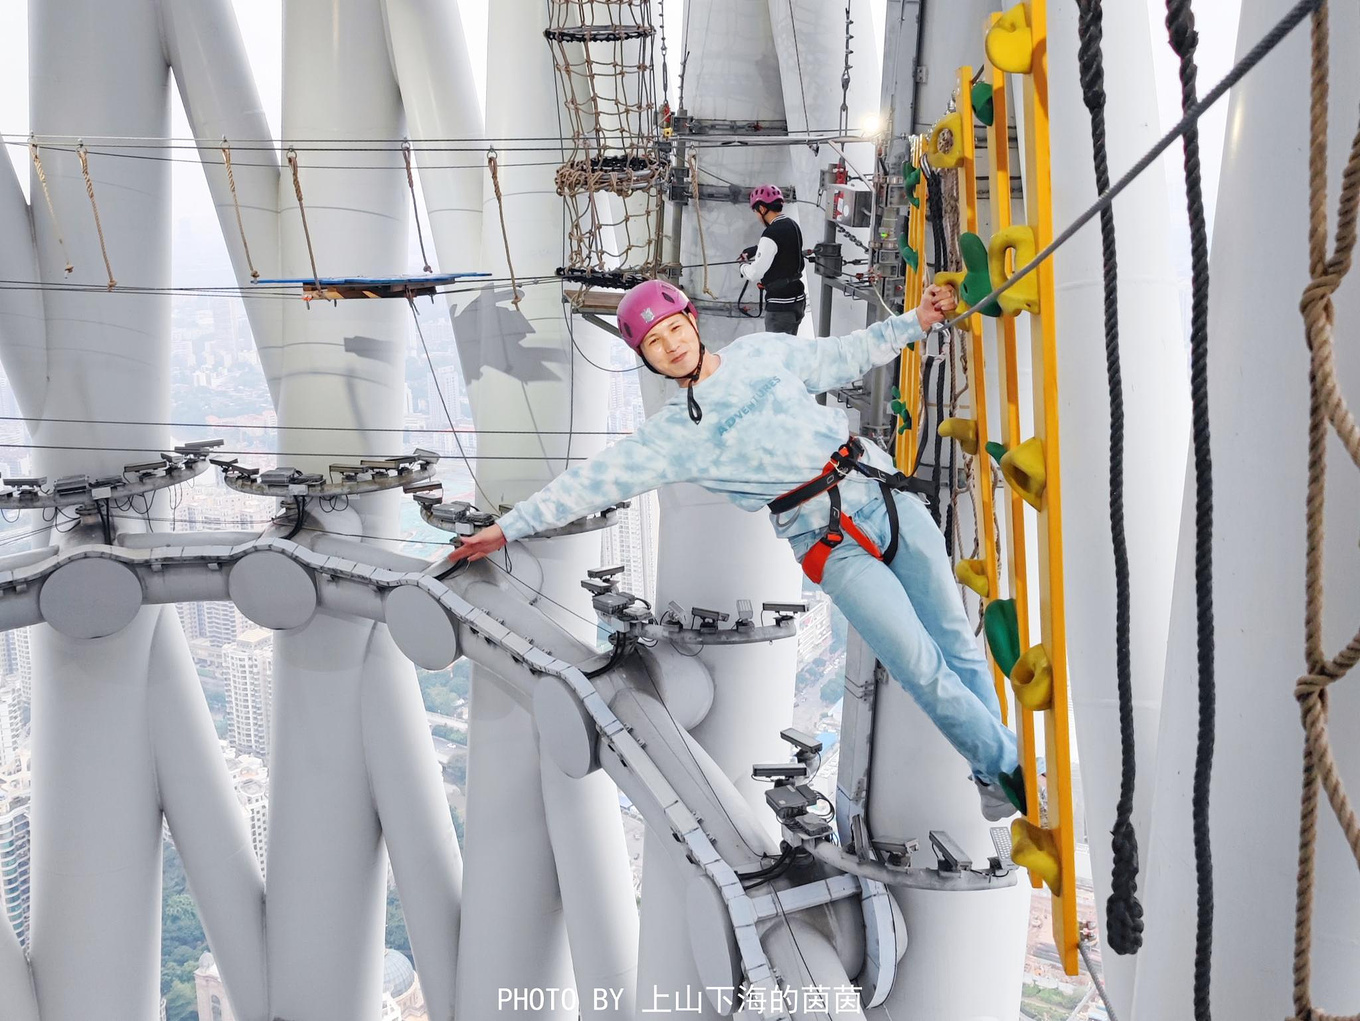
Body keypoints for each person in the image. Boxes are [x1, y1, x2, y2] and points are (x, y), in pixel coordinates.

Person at [444, 279, 1027, 819]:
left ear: (692, 322)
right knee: (917, 664)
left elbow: (843, 355)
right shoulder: (670, 436)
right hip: (827, 540)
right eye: (653, 343)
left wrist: (916, 321)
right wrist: (507, 528)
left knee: (957, 644)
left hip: (879, 493)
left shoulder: (759, 353)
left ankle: (993, 774)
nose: (669, 345)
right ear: (645, 358)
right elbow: (589, 483)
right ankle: (1012, 773)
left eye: (673, 328)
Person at [738, 184, 807, 336]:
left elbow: (755, 272)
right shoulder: (792, 225)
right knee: (789, 351)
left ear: (762, 209)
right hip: (797, 301)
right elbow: (783, 248)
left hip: (780, 308)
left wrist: (743, 267)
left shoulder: (770, 234)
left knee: (776, 355)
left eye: (756, 211)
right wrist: (755, 250)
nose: (757, 216)